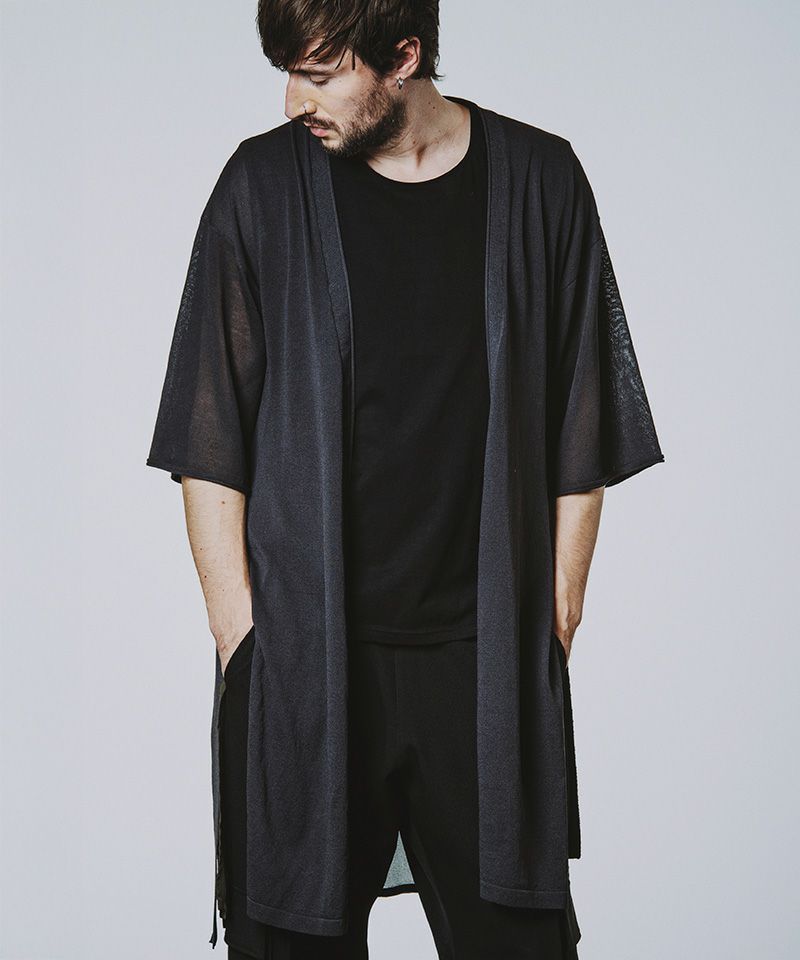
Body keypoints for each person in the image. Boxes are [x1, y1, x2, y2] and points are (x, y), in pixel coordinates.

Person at [146, 2, 665, 957]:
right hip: (305, 660)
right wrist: (242, 641)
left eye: (319, 74)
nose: (294, 100)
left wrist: (556, 613)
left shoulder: (541, 181)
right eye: (289, 72)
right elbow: (207, 433)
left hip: (482, 663)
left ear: (403, 58)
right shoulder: (260, 188)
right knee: (287, 937)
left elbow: (582, 421)